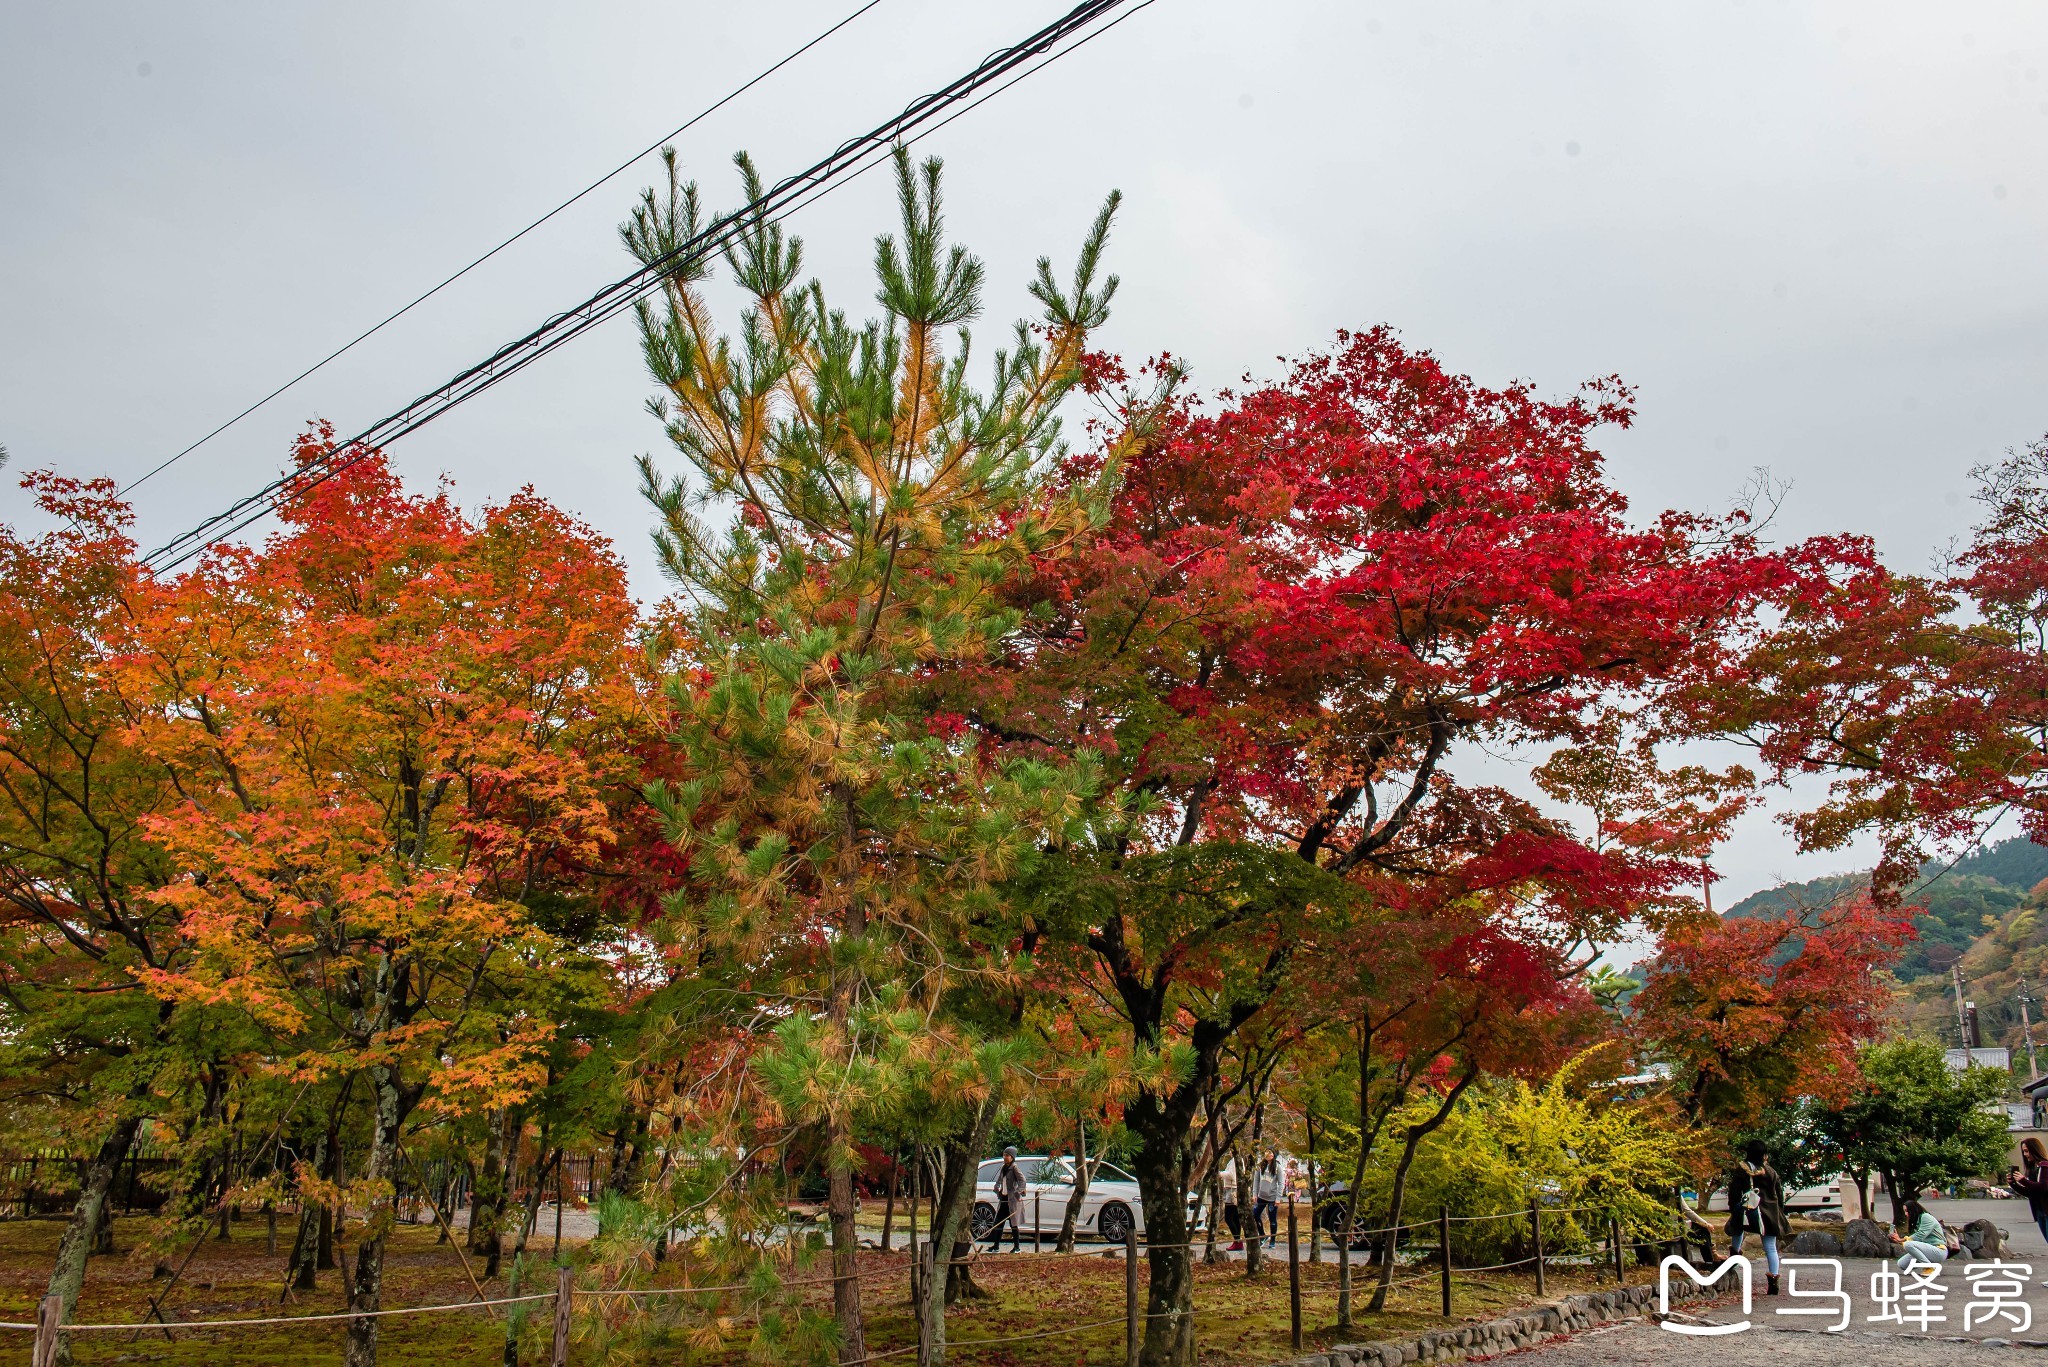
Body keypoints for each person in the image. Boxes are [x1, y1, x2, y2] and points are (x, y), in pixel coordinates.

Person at [1724, 1140, 1787, 1296]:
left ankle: (1734, 1258)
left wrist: (1733, 1209)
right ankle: (1773, 1282)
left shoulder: (1742, 1170)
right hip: (1770, 1213)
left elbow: (1734, 1192)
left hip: (1749, 1209)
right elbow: (1779, 1194)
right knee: (1771, 1247)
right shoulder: (1771, 1172)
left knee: (1738, 1229)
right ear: (1764, 1154)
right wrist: (1779, 1211)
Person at [1890, 1197, 1950, 1271]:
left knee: (1908, 1244)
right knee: (1902, 1264)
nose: (1906, 1214)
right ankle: (1933, 1263)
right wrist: (1899, 1240)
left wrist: (1901, 1240)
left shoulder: (1926, 1217)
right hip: (1927, 1250)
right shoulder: (1917, 1221)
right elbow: (1917, 1241)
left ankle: (1931, 1268)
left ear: (1913, 1210)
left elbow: (1921, 1235)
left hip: (1939, 1250)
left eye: (1906, 1211)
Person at [985, 1147, 1026, 1253]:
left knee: (1014, 1224)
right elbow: (999, 1180)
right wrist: (997, 1187)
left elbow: (1022, 1180)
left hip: (1012, 1200)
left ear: (1012, 1157)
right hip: (1003, 1198)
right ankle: (996, 1246)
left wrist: (1019, 1191)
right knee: (999, 1222)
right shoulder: (1003, 1167)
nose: (1005, 1157)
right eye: (1004, 1155)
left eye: (1007, 1155)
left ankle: (1017, 1247)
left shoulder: (1014, 1168)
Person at [2009, 1138, 2048, 1247]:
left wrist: (2023, 1180)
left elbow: (2044, 1187)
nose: (2025, 1154)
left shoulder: (2045, 1167)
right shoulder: (2033, 1169)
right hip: (2040, 1211)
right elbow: (2031, 1192)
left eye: (2027, 1151)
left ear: (2035, 1150)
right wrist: (2014, 1184)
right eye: (2023, 1151)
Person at [1254, 1153, 1282, 1246]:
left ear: (1273, 1154)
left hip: (1272, 1197)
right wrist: (1254, 1194)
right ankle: (1262, 1235)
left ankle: (1273, 1240)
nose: (1268, 1154)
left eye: (1270, 1152)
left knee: (1272, 1219)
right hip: (1261, 1196)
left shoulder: (1277, 1167)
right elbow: (1256, 1180)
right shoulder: (1260, 1166)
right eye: (1266, 1151)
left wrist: (1278, 1198)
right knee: (1255, 1214)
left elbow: (1281, 1184)